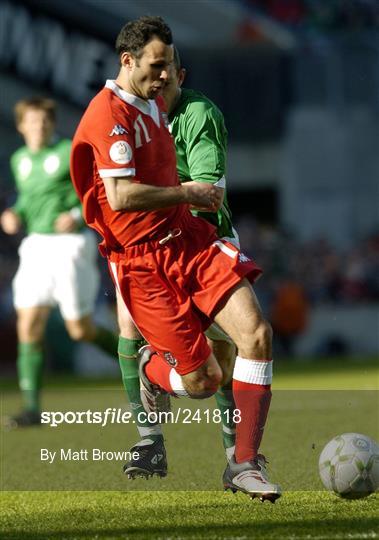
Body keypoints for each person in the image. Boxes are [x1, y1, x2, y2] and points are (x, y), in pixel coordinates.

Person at [70, 16, 281, 501]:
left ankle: (244, 463)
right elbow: (120, 197)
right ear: (128, 61)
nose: (167, 76)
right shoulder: (109, 116)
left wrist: (188, 200)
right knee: (205, 379)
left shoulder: (151, 103)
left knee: (257, 334)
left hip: (188, 237)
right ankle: (149, 371)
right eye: (158, 66)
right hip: (142, 263)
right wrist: (186, 190)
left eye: (169, 67)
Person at [117, 47, 240, 477]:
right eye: (152, 76)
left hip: (201, 238)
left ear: (180, 76)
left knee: (220, 358)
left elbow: (207, 190)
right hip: (141, 244)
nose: (158, 85)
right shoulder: (125, 117)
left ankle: (236, 457)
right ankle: (149, 442)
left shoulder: (198, 113)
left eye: (166, 77)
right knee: (128, 327)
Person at [1, 97, 118, 428]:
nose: (39, 127)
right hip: (36, 245)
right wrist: (14, 214)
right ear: (22, 126)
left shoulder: (70, 151)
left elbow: (100, 191)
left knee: (79, 330)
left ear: (52, 125)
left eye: (45, 122)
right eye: (32, 122)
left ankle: (142, 369)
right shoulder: (19, 159)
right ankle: (31, 408)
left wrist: (76, 216)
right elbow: (27, 198)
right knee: (28, 325)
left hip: (70, 246)